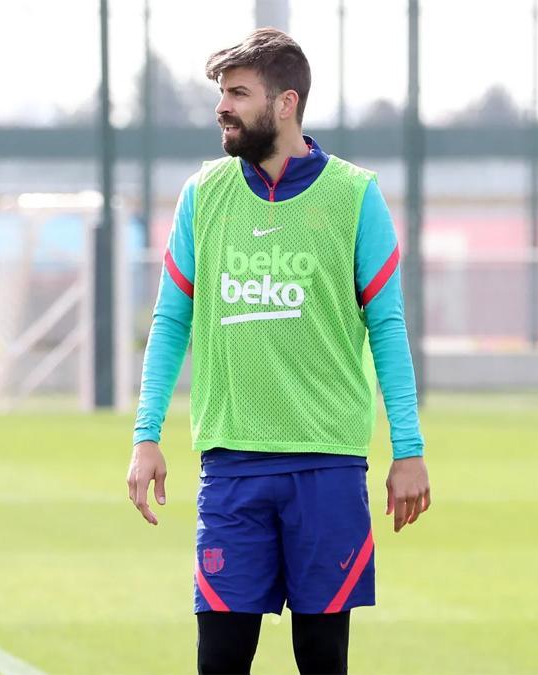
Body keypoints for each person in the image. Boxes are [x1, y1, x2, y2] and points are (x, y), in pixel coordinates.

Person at [126, 28, 432, 675]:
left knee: (323, 658)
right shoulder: (202, 195)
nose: (223, 106)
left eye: (238, 92)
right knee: (221, 658)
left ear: (286, 103)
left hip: (328, 466)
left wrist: (409, 450)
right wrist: (145, 434)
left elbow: (388, 327)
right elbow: (170, 319)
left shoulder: (355, 196)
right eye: (221, 93)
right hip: (232, 468)